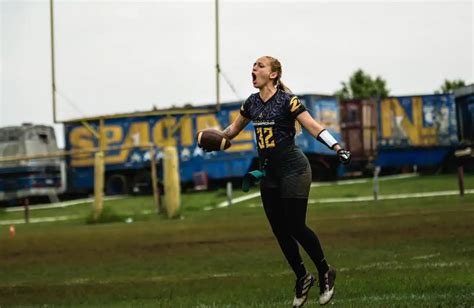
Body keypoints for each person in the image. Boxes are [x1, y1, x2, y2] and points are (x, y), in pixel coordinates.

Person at [203, 56, 351, 307]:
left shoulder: (287, 101)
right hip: (269, 173)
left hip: (294, 169)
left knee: (295, 224)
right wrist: (212, 141)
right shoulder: (251, 103)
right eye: (253, 65)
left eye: (259, 66)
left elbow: (313, 126)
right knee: (279, 229)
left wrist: (337, 147)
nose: (253, 69)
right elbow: (230, 133)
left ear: (273, 74)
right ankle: (302, 277)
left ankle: (326, 271)